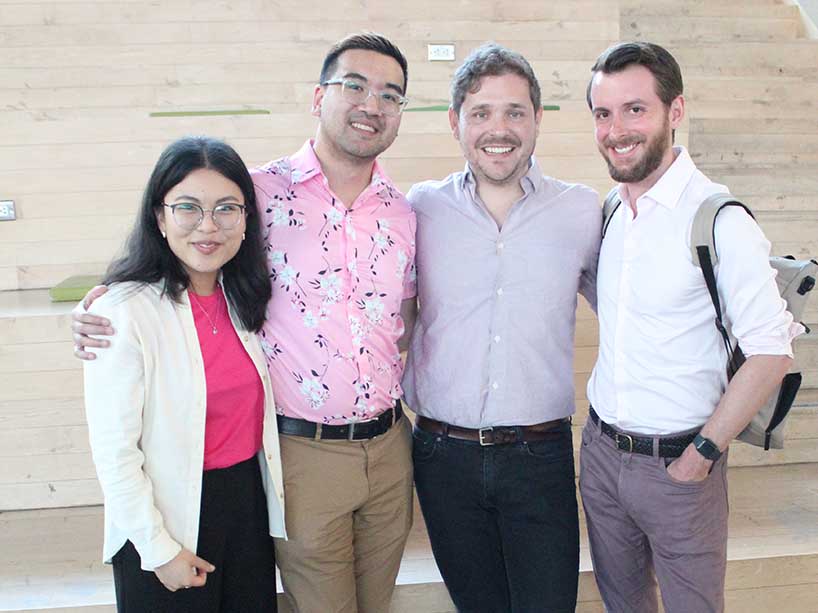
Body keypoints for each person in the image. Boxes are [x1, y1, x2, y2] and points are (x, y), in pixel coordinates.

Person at [73, 33, 416, 613]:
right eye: (354, 86)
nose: (371, 104)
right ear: (318, 97)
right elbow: (184, 227)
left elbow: (406, 314)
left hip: (387, 446)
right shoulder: (254, 193)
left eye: (390, 94)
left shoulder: (404, 210)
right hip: (303, 450)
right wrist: (100, 304)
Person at [581, 41, 802, 613]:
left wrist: (701, 453)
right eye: (603, 113)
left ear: (674, 110)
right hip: (601, 455)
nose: (616, 130)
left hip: (680, 467)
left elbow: (772, 350)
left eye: (635, 109)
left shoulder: (719, 220)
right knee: (623, 604)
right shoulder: (612, 210)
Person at [402, 43, 600, 612]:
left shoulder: (581, 211)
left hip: (539, 456)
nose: (499, 129)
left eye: (515, 112)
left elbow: (633, 307)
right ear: (455, 121)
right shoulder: (420, 209)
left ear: (537, 119)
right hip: (443, 457)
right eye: (481, 112)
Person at [82, 136, 286, 612]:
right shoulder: (123, 311)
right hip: (164, 515)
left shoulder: (248, 298)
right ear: (160, 216)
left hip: (246, 506)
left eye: (226, 209)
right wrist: (158, 549)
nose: (208, 226)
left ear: (246, 219)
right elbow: (114, 452)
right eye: (188, 208)